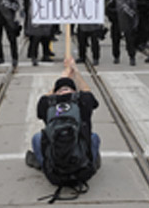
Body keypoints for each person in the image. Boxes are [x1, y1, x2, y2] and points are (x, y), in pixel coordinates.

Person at [26, 56, 100, 199]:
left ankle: (46, 164)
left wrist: (61, 79)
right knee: (93, 137)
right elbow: (87, 91)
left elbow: (42, 102)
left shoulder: (48, 104)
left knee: (37, 138)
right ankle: (89, 161)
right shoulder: (82, 101)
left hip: (54, 176)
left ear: (56, 92)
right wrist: (75, 71)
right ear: (74, 92)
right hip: (82, 172)